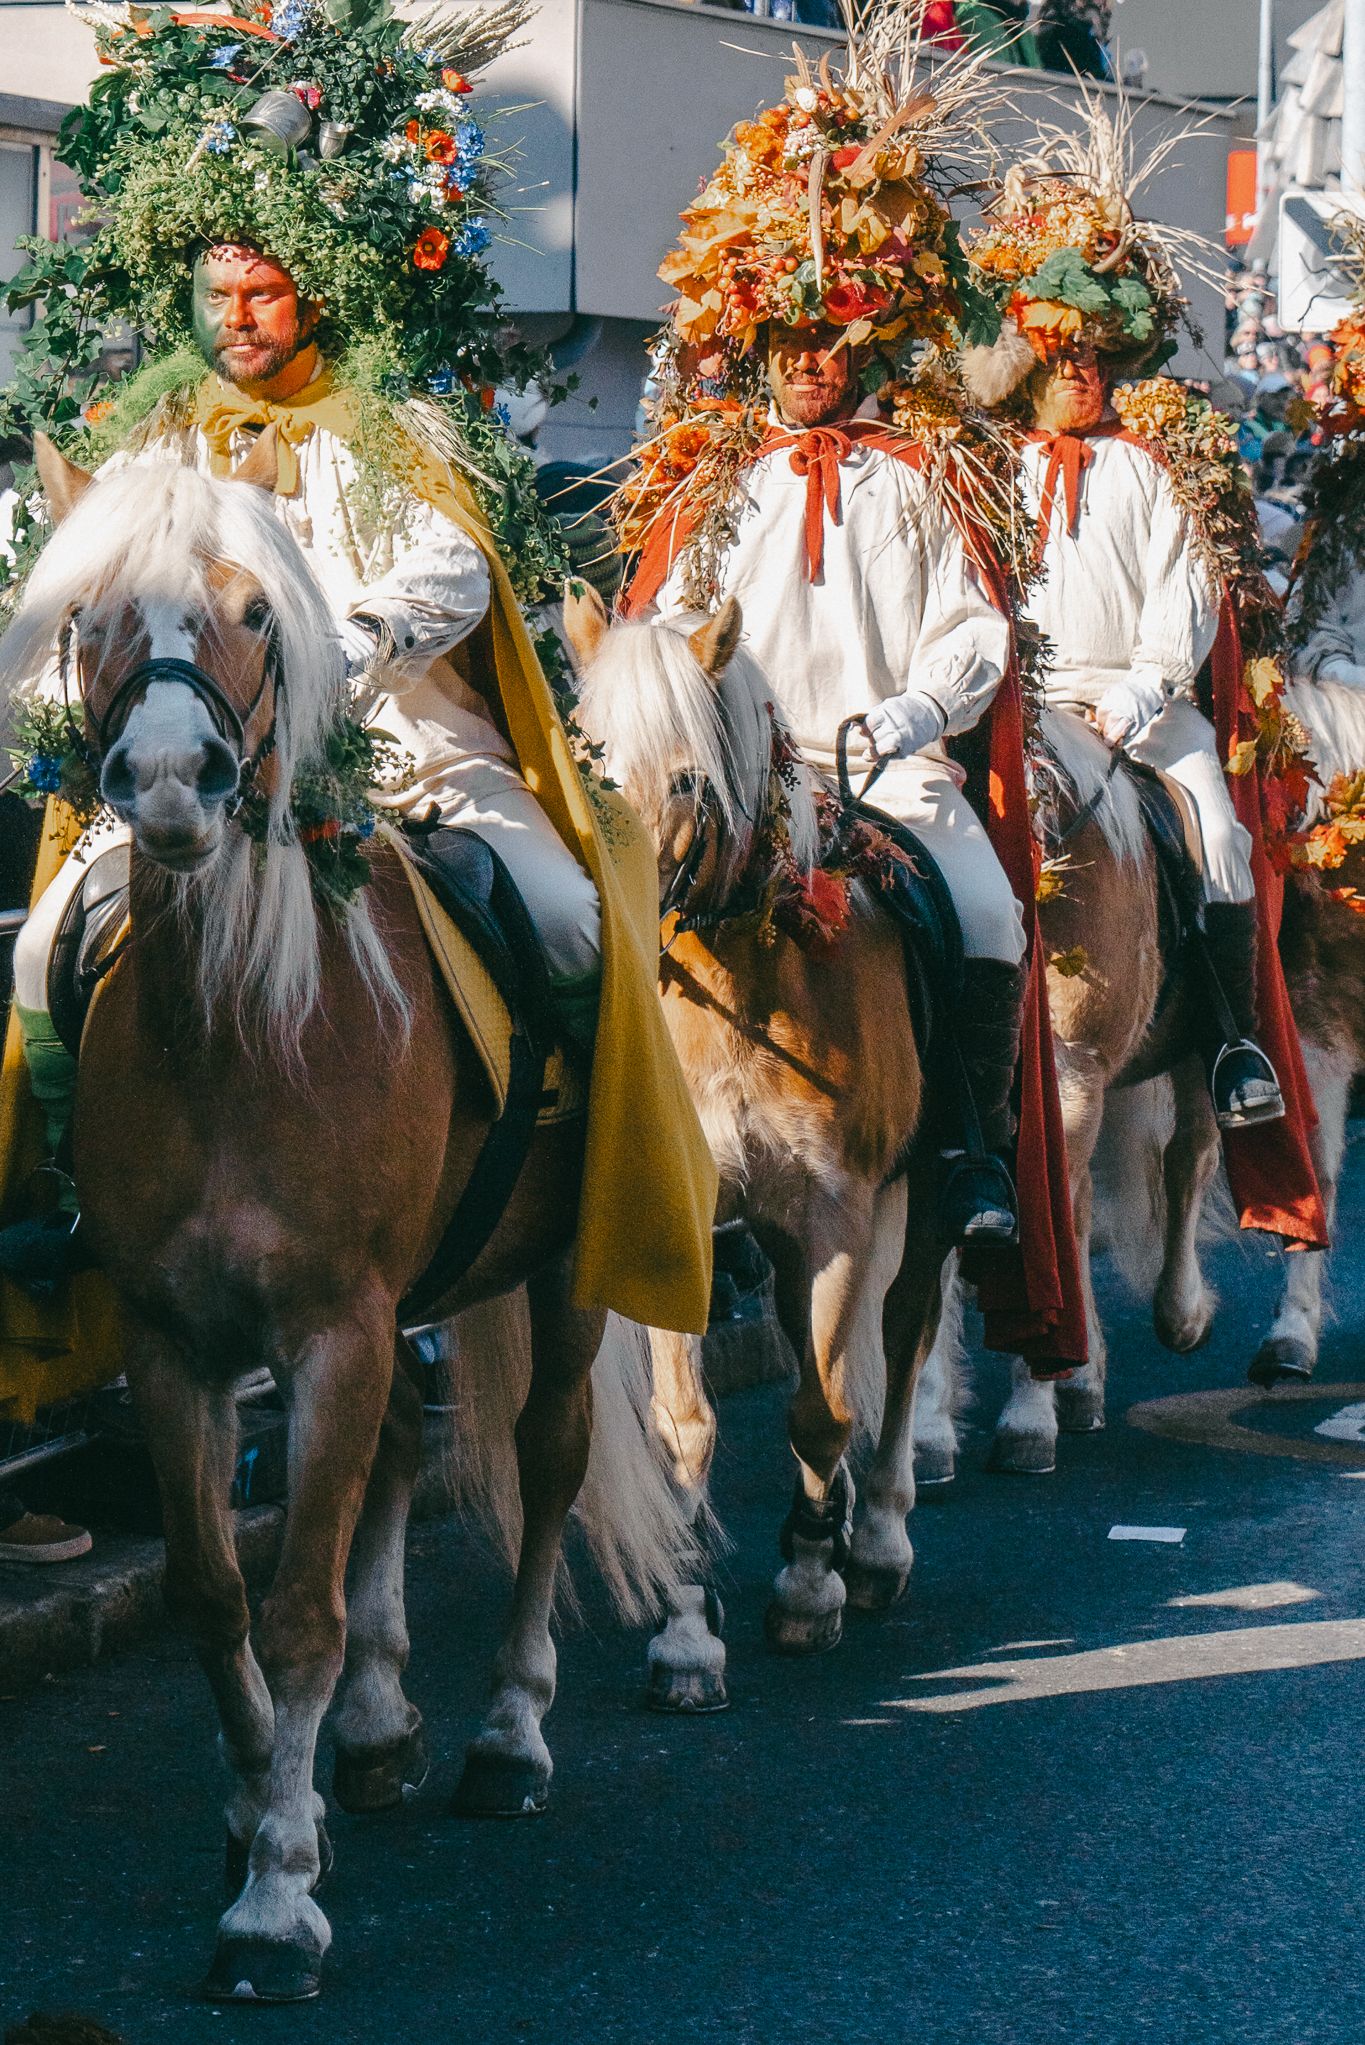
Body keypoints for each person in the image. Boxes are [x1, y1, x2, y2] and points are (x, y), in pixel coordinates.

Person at [0, 0, 717, 1337]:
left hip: (411, 761)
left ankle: (559, 1179)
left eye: (262, 293)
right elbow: (82, 601)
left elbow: (451, 570)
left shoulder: (392, 424)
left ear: (310, 290)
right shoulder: (151, 429)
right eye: (216, 296)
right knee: (48, 941)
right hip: (206, 778)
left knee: (566, 917)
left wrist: (339, 647)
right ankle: (79, 1208)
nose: (238, 319)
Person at [622, 63, 1088, 1369]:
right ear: (758, 346)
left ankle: (970, 1153)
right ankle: (612, 1152)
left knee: (990, 910)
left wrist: (908, 716)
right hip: (740, 784)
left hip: (888, 774)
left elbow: (977, 631)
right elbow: (663, 636)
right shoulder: (709, 483)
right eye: (786, 344)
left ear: (866, 346)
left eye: (829, 343)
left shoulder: (922, 477)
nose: (807, 366)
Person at [962, 137, 1327, 1249]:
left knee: (1215, 834)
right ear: (1031, 358)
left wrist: (1137, 698)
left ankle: (1232, 1046)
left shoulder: (1151, 469)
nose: (1081, 373)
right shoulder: (988, 468)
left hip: (1140, 708)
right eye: (1062, 355)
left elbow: (1187, 605)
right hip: (1024, 708)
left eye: (1095, 359)